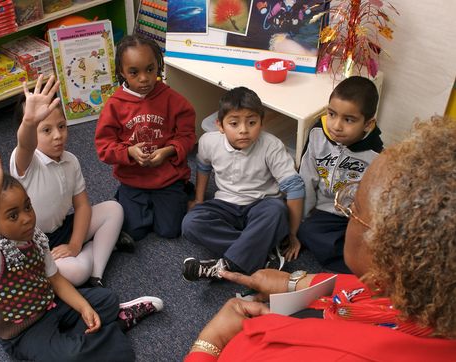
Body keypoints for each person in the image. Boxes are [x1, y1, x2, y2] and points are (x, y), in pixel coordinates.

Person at [185, 115, 456, 361]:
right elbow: (368, 293)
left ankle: (233, 261)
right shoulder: (423, 296)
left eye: (353, 209)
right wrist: (296, 282)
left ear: (384, 250)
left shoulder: (269, 353)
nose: (347, 211)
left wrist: (211, 341)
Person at [0, 147, 163, 361]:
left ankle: (81, 340)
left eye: (27, 207)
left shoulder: (36, 238)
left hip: (51, 306)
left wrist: (84, 307)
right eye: (13, 216)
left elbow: (55, 279)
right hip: (25, 333)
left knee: (107, 300)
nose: (26, 218)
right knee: (71, 355)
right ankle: (111, 330)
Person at [9, 74, 134, 288]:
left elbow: (82, 205)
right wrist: (29, 121)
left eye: (62, 126)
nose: (58, 135)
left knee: (114, 209)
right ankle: (98, 248)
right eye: (46, 130)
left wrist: (75, 245)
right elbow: (25, 144)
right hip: (35, 243)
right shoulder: (26, 162)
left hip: (62, 229)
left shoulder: (71, 160)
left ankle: (97, 274)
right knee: (77, 272)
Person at [181, 87, 304, 282]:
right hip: (226, 205)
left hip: (261, 205)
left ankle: (223, 266)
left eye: (252, 122)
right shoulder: (209, 141)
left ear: (262, 123)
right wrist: (198, 199)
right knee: (190, 223)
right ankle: (260, 250)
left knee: (277, 210)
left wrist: (293, 234)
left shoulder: (271, 146)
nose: (243, 130)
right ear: (220, 126)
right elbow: (203, 166)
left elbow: (295, 187)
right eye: (234, 123)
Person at [95, 34, 196, 241]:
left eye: (150, 69)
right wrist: (129, 152)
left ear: (158, 66)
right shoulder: (114, 105)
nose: (144, 78)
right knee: (133, 232)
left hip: (168, 177)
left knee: (169, 231)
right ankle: (130, 199)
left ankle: (177, 192)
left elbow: (187, 136)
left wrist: (167, 151)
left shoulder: (174, 100)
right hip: (133, 178)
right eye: (134, 72)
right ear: (122, 72)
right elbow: (104, 148)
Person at [297, 76, 384, 273]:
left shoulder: (376, 155)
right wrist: (301, 220)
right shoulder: (317, 134)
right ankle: (357, 268)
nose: (336, 126)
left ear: (368, 124)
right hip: (328, 214)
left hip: (357, 218)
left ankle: (364, 264)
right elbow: (306, 178)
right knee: (306, 230)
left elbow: (376, 203)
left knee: (379, 242)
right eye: (332, 114)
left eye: (348, 120)